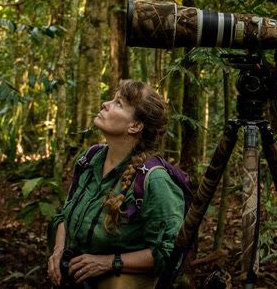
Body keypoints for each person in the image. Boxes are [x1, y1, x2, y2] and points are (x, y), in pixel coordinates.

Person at [47, 80, 185, 289]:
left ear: (135, 126)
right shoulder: (90, 159)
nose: (105, 104)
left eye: (118, 103)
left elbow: (168, 252)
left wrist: (110, 262)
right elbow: (65, 214)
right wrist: (58, 251)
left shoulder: (155, 180)